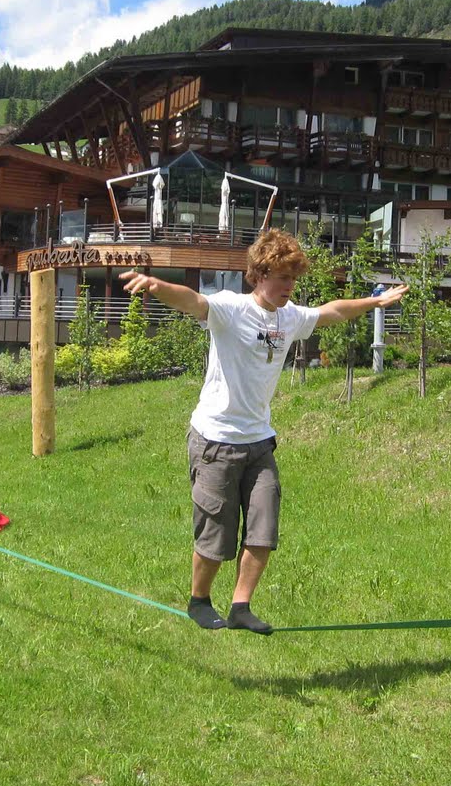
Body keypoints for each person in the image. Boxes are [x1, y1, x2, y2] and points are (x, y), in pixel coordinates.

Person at [120, 231, 407, 635]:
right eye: (282, 278)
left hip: (259, 441)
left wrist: (375, 301)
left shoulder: (289, 317)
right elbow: (193, 301)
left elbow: (334, 311)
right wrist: (156, 284)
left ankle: (240, 605)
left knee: (263, 528)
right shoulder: (231, 309)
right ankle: (199, 600)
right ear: (259, 274)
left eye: (293, 279)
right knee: (216, 532)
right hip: (216, 440)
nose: (289, 287)